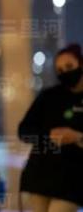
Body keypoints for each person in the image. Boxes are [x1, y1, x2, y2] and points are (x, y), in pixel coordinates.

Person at [19, 44, 83, 212]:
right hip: (39, 175)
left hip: (73, 180)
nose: (65, 72)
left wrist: (77, 137)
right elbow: (24, 131)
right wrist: (49, 135)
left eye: (69, 66)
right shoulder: (49, 97)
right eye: (60, 70)